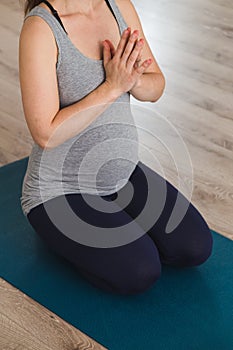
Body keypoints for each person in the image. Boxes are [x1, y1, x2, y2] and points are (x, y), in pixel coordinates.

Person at [19, 0, 213, 295]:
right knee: (140, 272)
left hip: (122, 176)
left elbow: (155, 85)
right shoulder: (41, 29)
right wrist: (112, 86)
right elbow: (46, 133)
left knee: (195, 247)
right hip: (60, 190)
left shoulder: (118, 5)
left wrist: (131, 81)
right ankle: (56, 235)